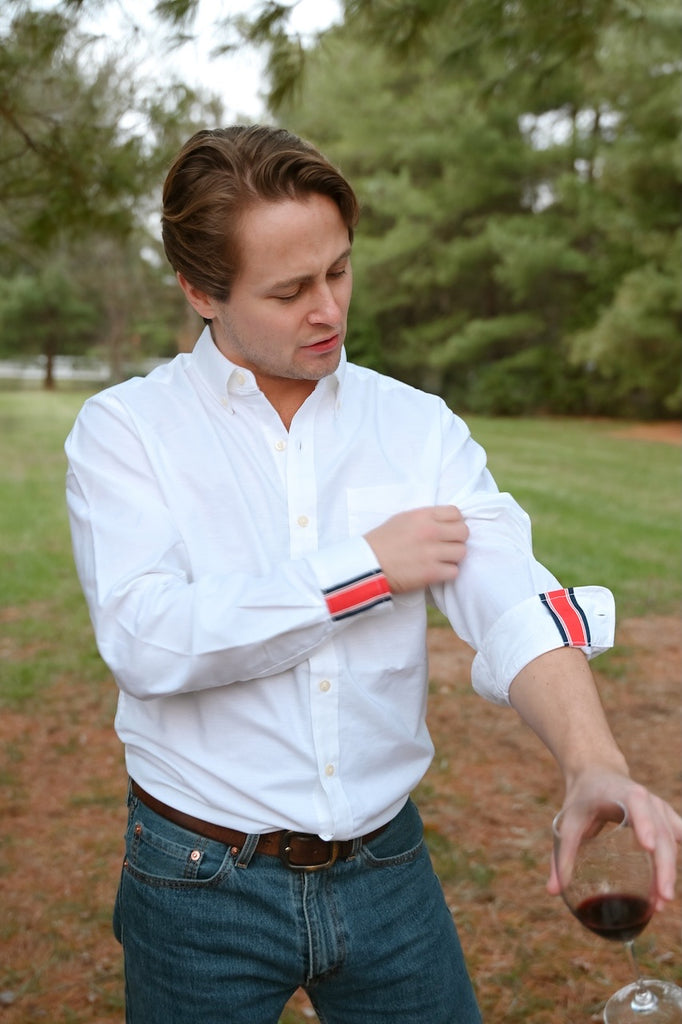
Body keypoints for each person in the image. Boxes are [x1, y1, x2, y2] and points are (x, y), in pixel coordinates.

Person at [64, 125, 681, 1024]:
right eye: (289, 290)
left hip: (387, 871)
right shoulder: (127, 432)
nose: (329, 310)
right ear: (201, 290)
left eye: (339, 271)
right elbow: (149, 639)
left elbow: (511, 594)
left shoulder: (417, 425)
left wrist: (594, 762)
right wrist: (363, 572)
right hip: (196, 878)